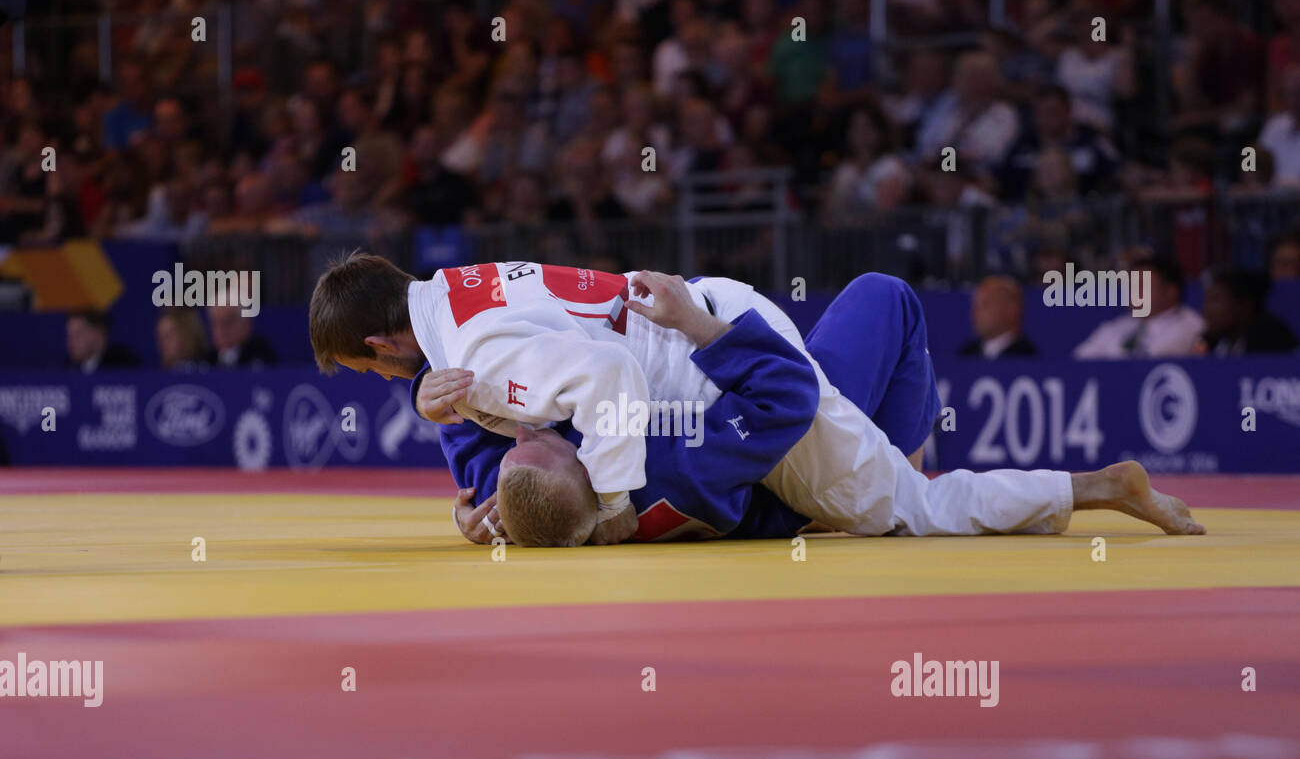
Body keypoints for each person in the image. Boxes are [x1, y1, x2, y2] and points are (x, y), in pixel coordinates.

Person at [418, 273, 1204, 547]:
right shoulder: (665, 458)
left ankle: (906, 461)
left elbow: (512, 465)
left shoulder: (561, 512)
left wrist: (443, 421)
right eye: (546, 440)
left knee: (885, 300)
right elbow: (785, 396)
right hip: (797, 454)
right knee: (917, 504)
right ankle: (1096, 485)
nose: (532, 427)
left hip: (763, 433)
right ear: (588, 473)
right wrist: (699, 324)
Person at [308, 257, 942, 546]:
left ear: (380, 341)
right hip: (721, 367)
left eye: (370, 367)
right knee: (885, 296)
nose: (385, 380)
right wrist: (489, 512)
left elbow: (526, 397)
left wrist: (610, 506)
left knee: (879, 479)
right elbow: (502, 419)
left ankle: (900, 493)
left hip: (717, 372)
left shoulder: (477, 352)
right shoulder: (459, 293)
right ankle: (900, 490)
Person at [1073, 257, 1204, 359]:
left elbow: (1148, 363)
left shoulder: (1189, 325)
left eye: (1141, 285)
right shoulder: (1118, 325)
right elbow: (1079, 360)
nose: (1132, 292)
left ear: (1170, 291)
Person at [1197, 267, 1299, 355]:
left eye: (1215, 300)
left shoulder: (1272, 339)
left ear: (1244, 305)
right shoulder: (1212, 340)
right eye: (1206, 300)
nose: (1206, 308)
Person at [958, 276, 1038, 358]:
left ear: (1011, 310)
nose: (975, 313)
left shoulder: (1026, 356)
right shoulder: (967, 354)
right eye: (975, 306)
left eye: (985, 305)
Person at [65, 312, 140, 373]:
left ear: (98, 334)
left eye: (78, 334)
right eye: (69, 335)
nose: (71, 341)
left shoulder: (122, 365)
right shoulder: (66, 369)